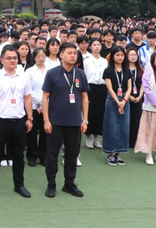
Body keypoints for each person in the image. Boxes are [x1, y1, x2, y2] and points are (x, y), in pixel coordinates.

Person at [42, 42, 89, 198]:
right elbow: (45, 97)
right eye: (69, 53)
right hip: (55, 122)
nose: (72, 55)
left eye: (74, 53)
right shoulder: (52, 73)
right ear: (61, 55)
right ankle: (51, 184)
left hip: (75, 122)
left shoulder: (80, 74)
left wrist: (85, 120)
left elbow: (84, 97)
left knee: (72, 154)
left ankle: (69, 184)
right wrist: (46, 120)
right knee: (52, 155)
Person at [0, 46, 33, 199]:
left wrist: (29, 118)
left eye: (15, 58)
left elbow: (27, 98)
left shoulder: (23, 76)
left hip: (19, 120)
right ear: (2, 59)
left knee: (18, 155)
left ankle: (19, 185)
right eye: (9, 58)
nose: (13, 61)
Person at [102, 46, 132, 166]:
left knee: (124, 128)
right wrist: (118, 101)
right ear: (112, 56)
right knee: (111, 127)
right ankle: (110, 154)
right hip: (112, 100)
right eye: (117, 55)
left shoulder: (127, 70)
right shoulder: (108, 70)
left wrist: (124, 101)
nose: (120, 57)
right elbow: (109, 88)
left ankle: (118, 153)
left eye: (122, 55)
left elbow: (130, 87)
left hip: (125, 99)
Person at [83, 38, 108, 150]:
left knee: (100, 112)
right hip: (90, 87)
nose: (97, 47)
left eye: (98, 45)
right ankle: (88, 137)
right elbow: (84, 76)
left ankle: (96, 137)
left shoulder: (104, 61)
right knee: (90, 112)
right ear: (90, 46)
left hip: (102, 88)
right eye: (94, 45)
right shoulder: (86, 60)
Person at [25, 47, 48, 167]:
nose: (41, 59)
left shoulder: (50, 71)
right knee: (32, 132)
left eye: (43, 56)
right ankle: (32, 156)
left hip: (47, 106)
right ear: (34, 58)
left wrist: (44, 103)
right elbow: (28, 90)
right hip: (32, 105)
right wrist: (39, 102)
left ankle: (43, 156)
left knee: (45, 132)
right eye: (38, 56)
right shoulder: (29, 72)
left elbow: (51, 89)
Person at [127, 47, 144, 149]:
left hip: (138, 97)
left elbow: (143, 84)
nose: (133, 57)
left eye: (135, 55)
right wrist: (129, 97)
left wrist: (140, 95)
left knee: (137, 119)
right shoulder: (124, 69)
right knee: (127, 120)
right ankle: (126, 141)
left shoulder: (141, 69)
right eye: (131, 55)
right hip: (126, 97)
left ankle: (135, 142)